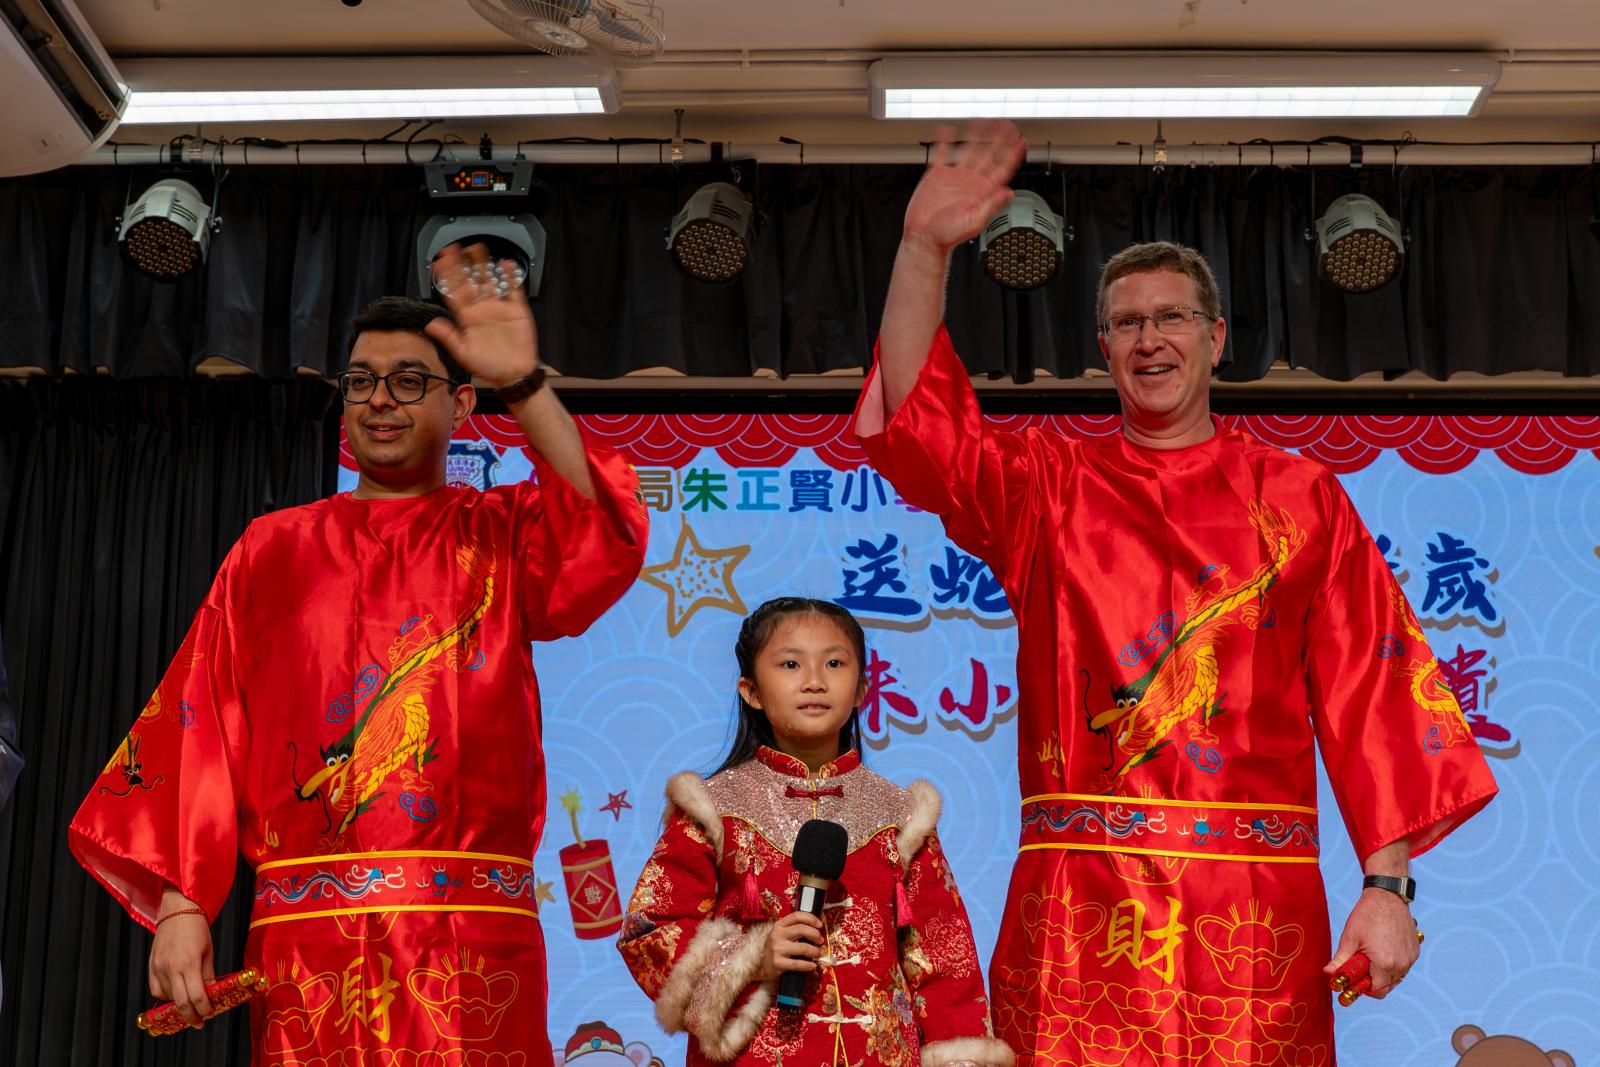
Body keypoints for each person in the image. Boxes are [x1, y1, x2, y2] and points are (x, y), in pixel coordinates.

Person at [852, 120, 1499, 1066]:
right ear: (1103, 345)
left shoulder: (1300, 498)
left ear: (1216, 336)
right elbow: (921, 425)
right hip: (1082, 905)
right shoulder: (1046, 488)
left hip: (1252, 907)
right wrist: (922, 249)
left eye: (1172, 318)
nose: (1150, 339)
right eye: (1127, 323)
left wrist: (1387, 888)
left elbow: (1374, 689)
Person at [68, 245, 649, 1065]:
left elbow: (606, 526)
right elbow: (199, 723)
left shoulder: (500, 532)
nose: (380, 399)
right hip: (310, 943)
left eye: (409, 381)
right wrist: (182, 903)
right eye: (363, 381)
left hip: (471, 937)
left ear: (462, 401)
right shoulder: (271, 550)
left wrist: (526, 385)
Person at [617, 597, 1013, 1067]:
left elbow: (947, 958)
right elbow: (649, 929)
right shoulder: (712, 809)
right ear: (751, 691)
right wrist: (752, 957)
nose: (814, 680)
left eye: (834, 663)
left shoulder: (902, 815)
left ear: (862, 688)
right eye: (790, 664)